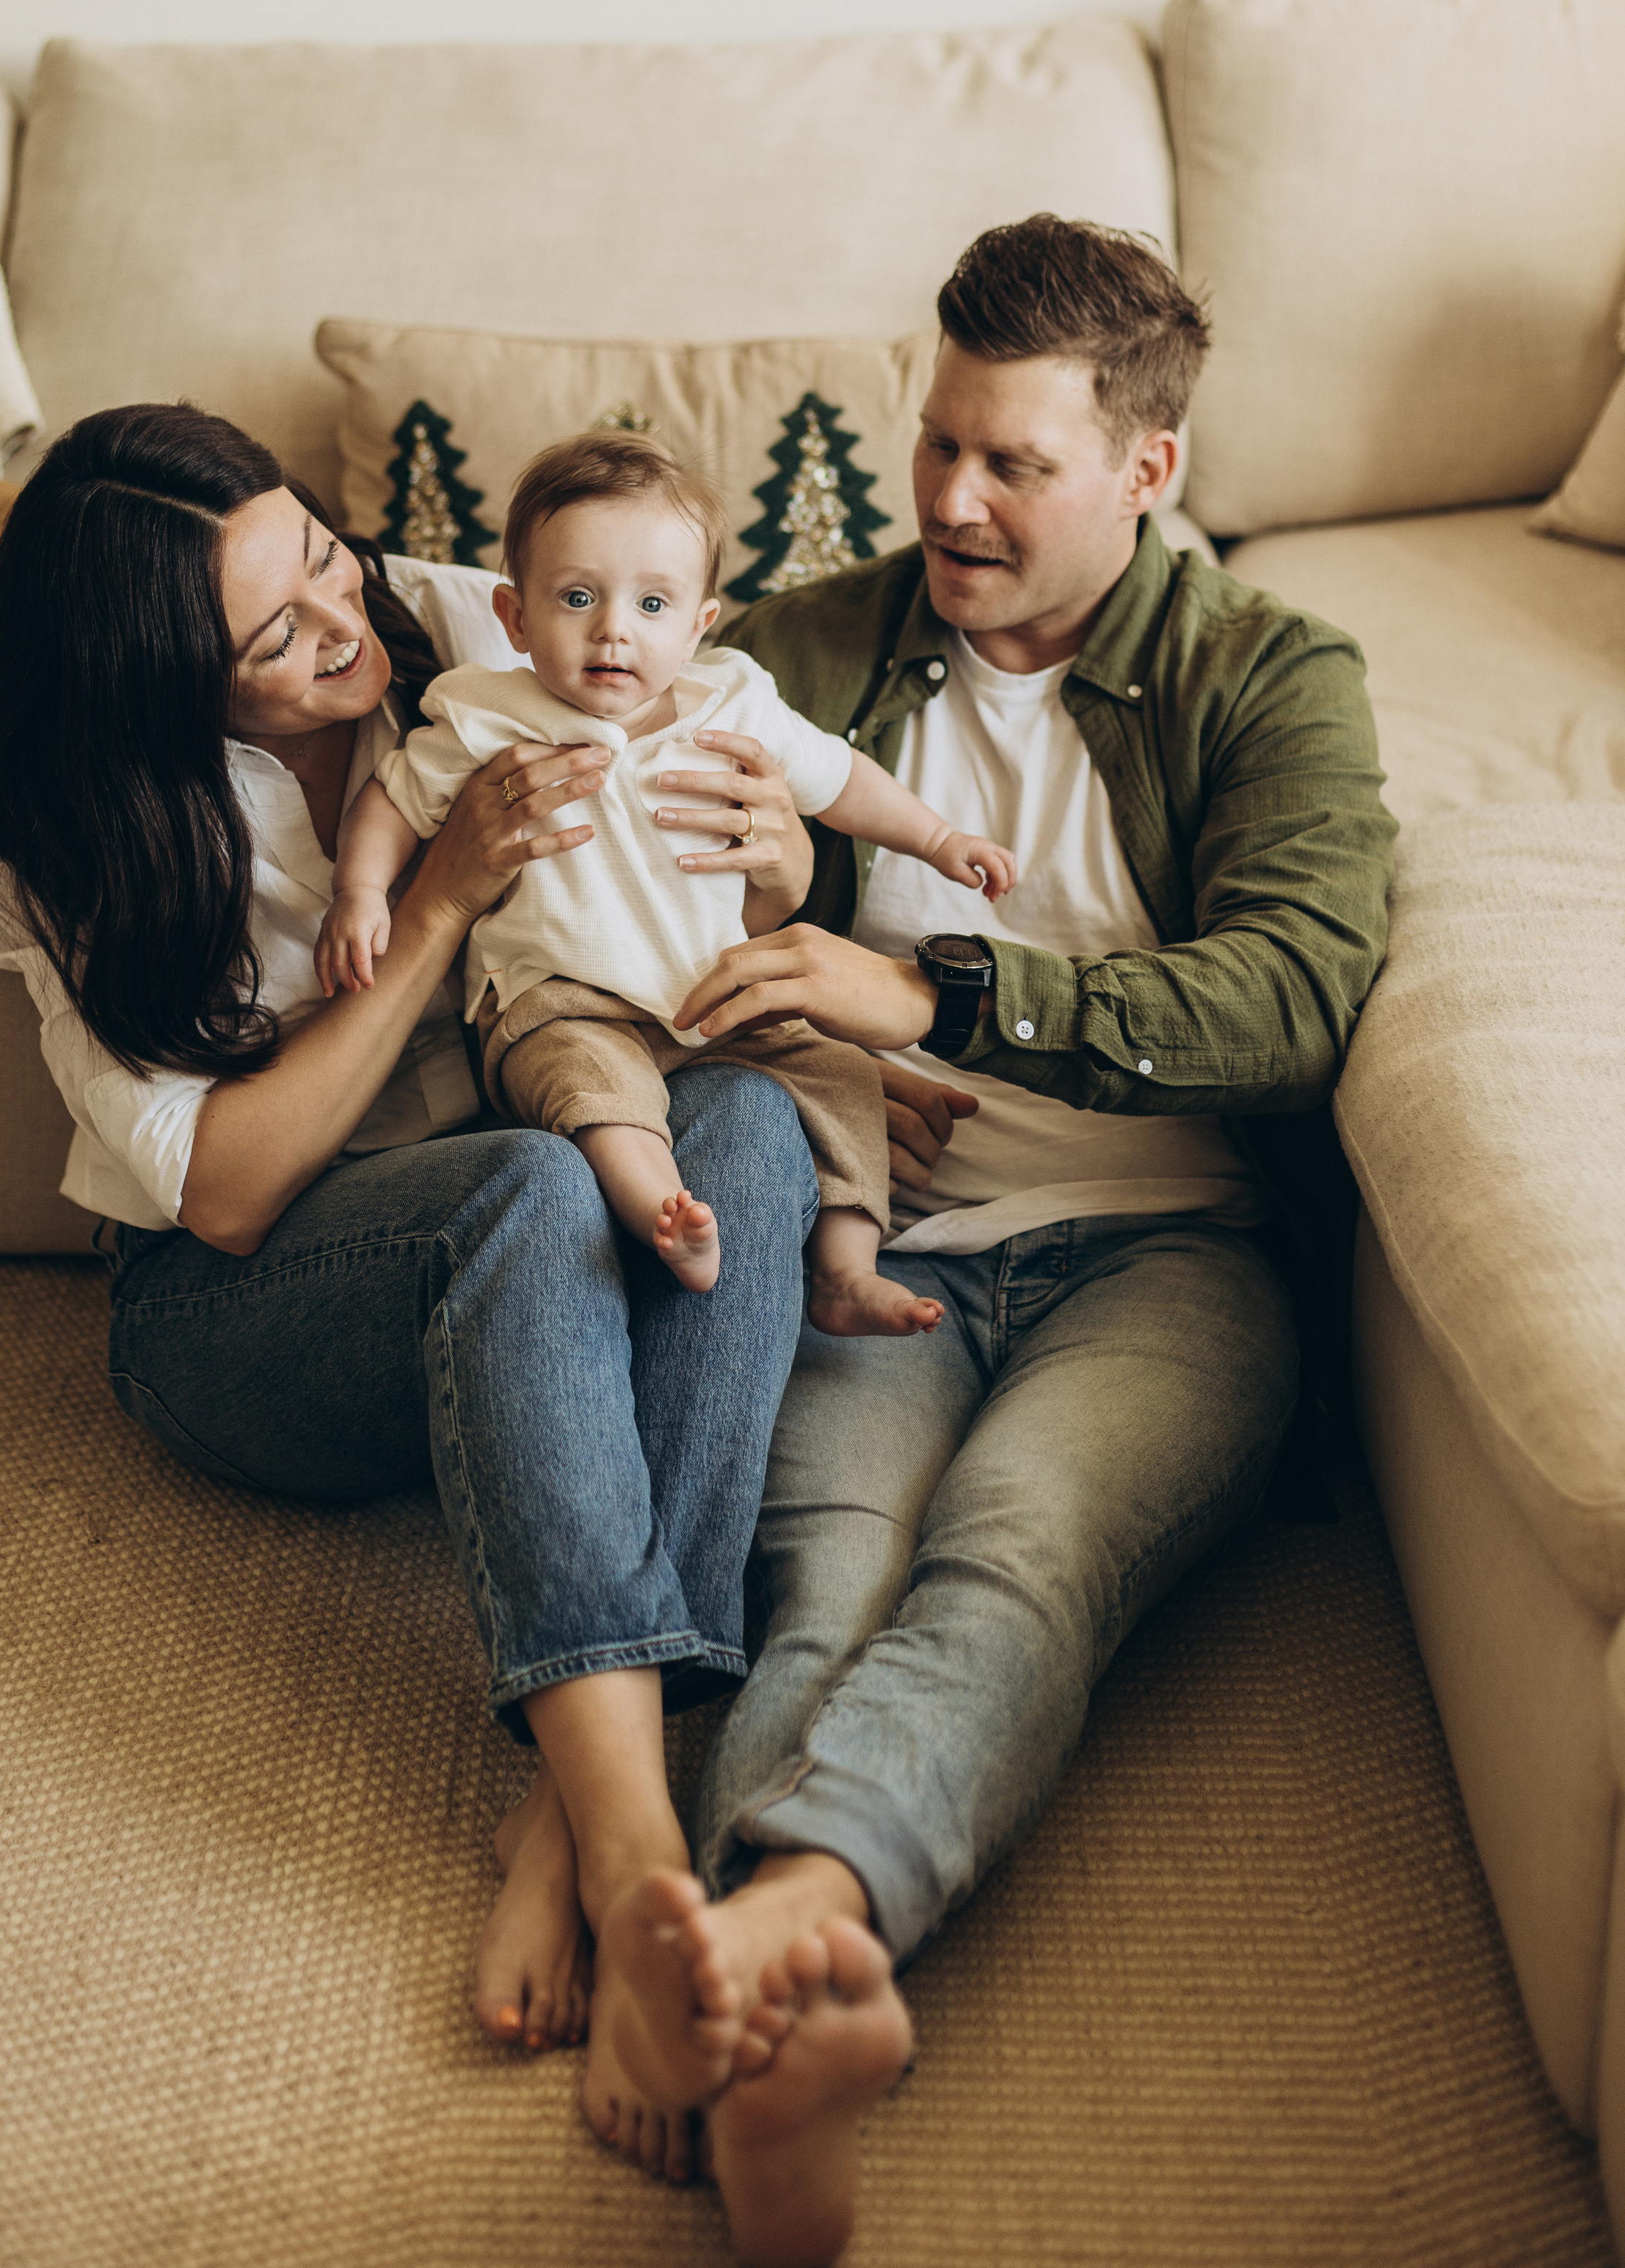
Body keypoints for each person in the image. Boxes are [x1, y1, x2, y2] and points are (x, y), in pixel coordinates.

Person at [0, 401, 846, 2189]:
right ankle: (648, 1855)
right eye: (273, 634)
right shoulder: (69, 829)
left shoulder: (475, 619)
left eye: (317, 556)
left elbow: (733, 770)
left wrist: (784, 859)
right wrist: (434, 909)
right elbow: (232, 1194)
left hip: (540, 1225)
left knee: (745, 1124)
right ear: (157, 682)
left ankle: (563, 1823)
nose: (340, 623)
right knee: (523, 1180)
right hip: (244, 1317)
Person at [584, 215, 1398, 2268]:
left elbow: (1294, 997)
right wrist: (763, 920)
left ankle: (769, 1936)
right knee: (826, 1568)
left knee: (1017, 1546)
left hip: (1173, 1255)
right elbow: (620, 911)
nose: (946, 498)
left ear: (1149, 471)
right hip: (889, 1243)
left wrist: (934, 991)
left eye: (1012, 465)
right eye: (937, 441)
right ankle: (795, 1990)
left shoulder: (1269, 675)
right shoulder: (806, 649)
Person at [318, 432, 1015, 1340]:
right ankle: (664, 1213)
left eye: (652, 603)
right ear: (515, 616)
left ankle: (844, 1269)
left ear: (699, 623)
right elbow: (393, 799)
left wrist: (938, 837)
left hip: (712, 988)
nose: (614, 628)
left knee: (843, 1079)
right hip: (560, 996)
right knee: (592, 1089)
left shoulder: (734, 701)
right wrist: (362, 893)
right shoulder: (486, 711)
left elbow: (840, 781)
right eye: (577, 598)